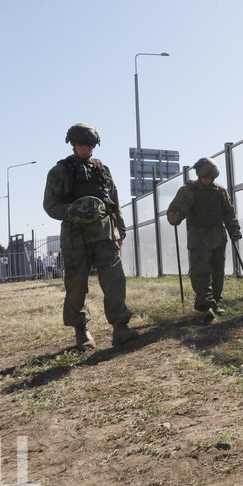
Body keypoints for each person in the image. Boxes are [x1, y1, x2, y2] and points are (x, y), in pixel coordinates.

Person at [43, 123, 137, 349]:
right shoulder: (60, 171)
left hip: (104, 234)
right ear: (73, 144)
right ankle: (81, 330)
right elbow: (50, 205)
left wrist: (120, 230)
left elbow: (113, 200)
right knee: (76, 285)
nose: (87, 148)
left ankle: (120, 327)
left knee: (115, 280)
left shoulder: (102, 169)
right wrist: (73, 211)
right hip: (75, 236)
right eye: (83, 144)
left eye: (91, 144)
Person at [166, 157, 242, 323]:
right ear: (199, 174)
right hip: (198, 237)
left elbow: (229, 213)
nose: (208, 181)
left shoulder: (220, 191)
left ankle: (215, 301)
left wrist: (234, 229)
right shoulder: (189, 190)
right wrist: (174, 216)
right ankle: (205, 304)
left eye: (211, 178)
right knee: (201, 272)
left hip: (218, 236)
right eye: (206, 177)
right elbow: (176, 209)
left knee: (218, 271)